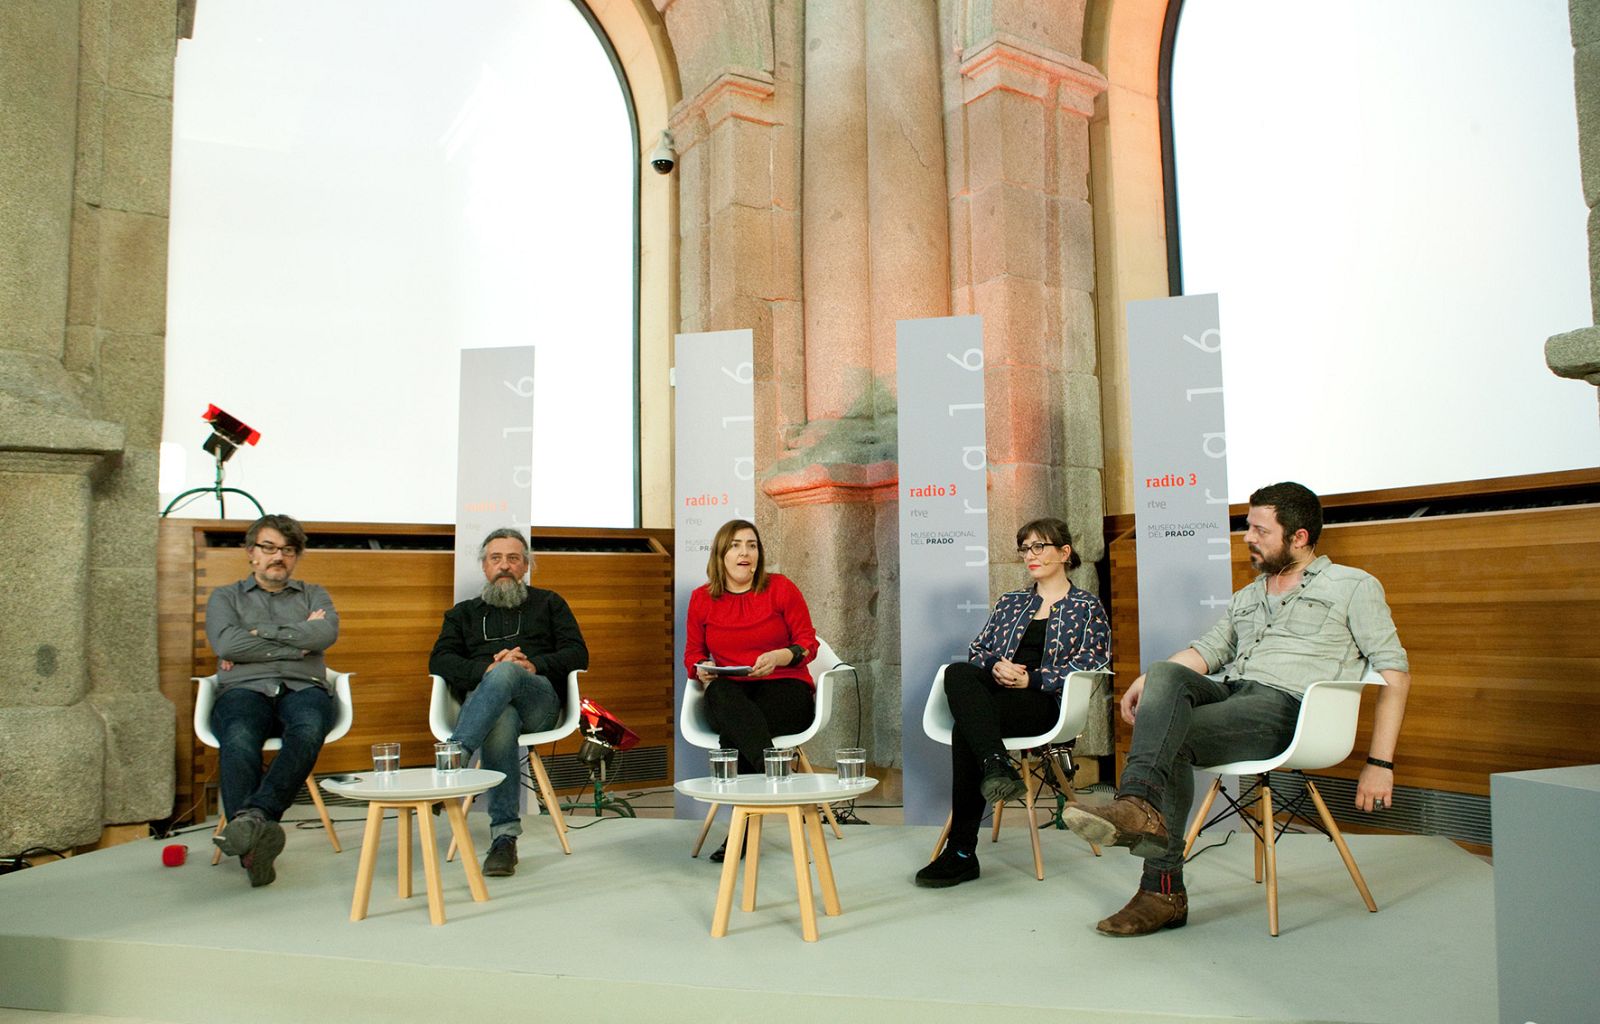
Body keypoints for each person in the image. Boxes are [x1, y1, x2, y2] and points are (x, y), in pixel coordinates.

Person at [1064, 481, 1411, 936]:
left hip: (1286, 711)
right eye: (1249, 528)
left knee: (1169, 736)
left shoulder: (1353, 586)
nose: (1248, 537)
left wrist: (1380, 763)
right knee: (1166, 673)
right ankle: (1139, 807)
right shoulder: (1249, 596)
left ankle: (1160, 886)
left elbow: (1394, 673)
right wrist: (1149, 679)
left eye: (1260, 530)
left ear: (1299, 537)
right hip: (1232, 693)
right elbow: (1207, 651)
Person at [915, 517, 1112, 888]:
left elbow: (1092, 663)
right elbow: (979, 649)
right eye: (1025, 548)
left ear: (1064, 552)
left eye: (1039, 546)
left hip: (1044, 703)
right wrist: (996, 666)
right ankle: (996, 764)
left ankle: (961, 852)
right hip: (996, 694)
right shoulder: (1011, 602)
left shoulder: (1087, 607)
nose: (1030, 555)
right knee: (958, 672)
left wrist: (1031, 679)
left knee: (967, 728)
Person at [429, 527, 588, 878]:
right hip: (490, 712)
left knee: (508, 673)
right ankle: (504, 839)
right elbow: (439, 661)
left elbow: (578, 653)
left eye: (513, 558)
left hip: (539, 705)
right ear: (484, 566)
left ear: (525, 566)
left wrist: (532, 665)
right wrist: (487, 669)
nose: (505, 565)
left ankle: (452, 761)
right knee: (500, 717)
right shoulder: (462, 614)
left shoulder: (549, 603)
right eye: (496, 558)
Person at [205, 514, 339, 887]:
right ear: (251, 552)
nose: (278, 556)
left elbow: (324, 634)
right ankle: (256, 845)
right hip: (244, 688)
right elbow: (226, 644)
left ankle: (252, 820)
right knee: (239, 735)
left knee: (309, 727)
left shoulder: (314, 594)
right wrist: (297, 641)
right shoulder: (225, 596)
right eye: (269, 547)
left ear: (296, 556)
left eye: (288, 550)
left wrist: (255, 635)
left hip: (302, 686)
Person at [684, 518, 818, 862]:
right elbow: (692, 654)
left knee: (737, 733)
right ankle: (775, 771)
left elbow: (808, 642)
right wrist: (701, 668)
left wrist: (779, 656)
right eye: (736, 546)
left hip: (785, 689)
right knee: (722, 696)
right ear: (721, 555)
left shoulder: (780, 588)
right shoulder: (701, 599)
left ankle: (740, 833)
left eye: (752, 545)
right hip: (732, 693)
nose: (745, 553)